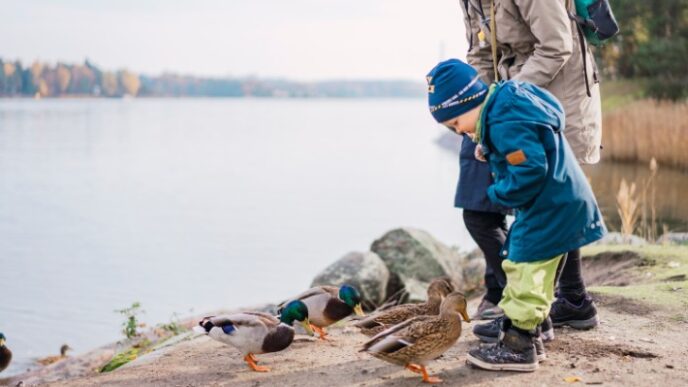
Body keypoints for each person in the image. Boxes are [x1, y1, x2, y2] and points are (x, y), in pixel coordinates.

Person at [426, 58, 606, 371]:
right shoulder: (507, 107)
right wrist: (490, 146)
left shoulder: (504, 121)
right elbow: (525, 148)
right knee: (536, 272)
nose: (459, 133)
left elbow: (530, 169)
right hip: (559, 201)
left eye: (456, 124)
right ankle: (530, 330)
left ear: (469, 100)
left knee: (523, 268)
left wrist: (498, 193)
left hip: (548, 208)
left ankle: (519, 345)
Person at [459, 0, 603, 330]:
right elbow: (480, 54)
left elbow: (556, 46)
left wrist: (506, 99)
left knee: (553, 200)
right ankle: (563, 302)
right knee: (502, 204)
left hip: (558, 97)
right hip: (515, 101)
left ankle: (541, 314)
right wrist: (481, 114)